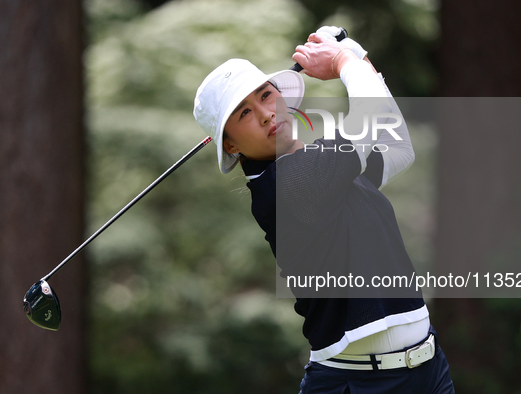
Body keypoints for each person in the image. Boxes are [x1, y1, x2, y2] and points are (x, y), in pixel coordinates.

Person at [194, 27, 455, 393]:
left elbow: (398, 147)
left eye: (267, 95)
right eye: (245, 114)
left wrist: (354, 53)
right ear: (231, 145)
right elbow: (371, 115)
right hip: (361, 383)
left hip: (428, 371)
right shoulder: (290, 185)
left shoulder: (325, 167)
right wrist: (341, 59)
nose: (267, 115)